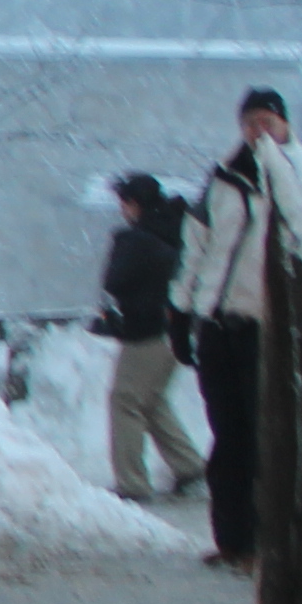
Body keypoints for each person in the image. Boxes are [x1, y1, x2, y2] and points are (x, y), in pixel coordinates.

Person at [172, 89, 293, 567]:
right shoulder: (222, 179)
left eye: (267, 121)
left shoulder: (298, 179)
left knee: (267, 436)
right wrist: (181, 311)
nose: (259, 131)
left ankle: (273, 540)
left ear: (284, 124)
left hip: (266, 328)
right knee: (228, 437)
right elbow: (195, 246)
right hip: (218, 324)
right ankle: (233, 540)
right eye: (250, 123)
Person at [91, 170, 202, 502]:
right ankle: (190, 466)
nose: (122, 210)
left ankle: (132, 483)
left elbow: (115, 282)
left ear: (134, 203)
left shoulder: (139, 239)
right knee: (150, 399)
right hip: (177, 327)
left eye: (123, 203)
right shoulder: (179, 229)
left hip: (147, 330)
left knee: (125, 400)